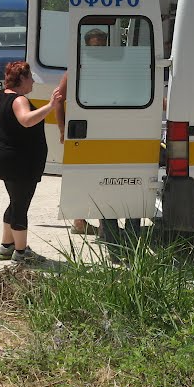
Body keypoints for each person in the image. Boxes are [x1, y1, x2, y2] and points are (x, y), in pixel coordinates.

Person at [0, 60, 63, 265]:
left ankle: (6, 246)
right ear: (22, 78)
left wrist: (3, 124)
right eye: (31, 78)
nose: (33, 83)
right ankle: (21, 253)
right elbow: (27, 120)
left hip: (5, 158)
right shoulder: (20, 100)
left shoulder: (0, 95)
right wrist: (50, 106)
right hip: (20, 161)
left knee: (14, 201)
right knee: (20, 206)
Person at [57, 28, 107, 236]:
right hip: (83, 130)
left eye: (102, 46)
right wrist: (62, 128)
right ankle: (80, 221)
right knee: (82, 175)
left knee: (105, 176)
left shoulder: (111, 67)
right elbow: (58, 100)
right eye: (94, 46)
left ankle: (104, 224)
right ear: (87, 47)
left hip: (107, 129)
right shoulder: (76, 69)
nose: (98, 50)